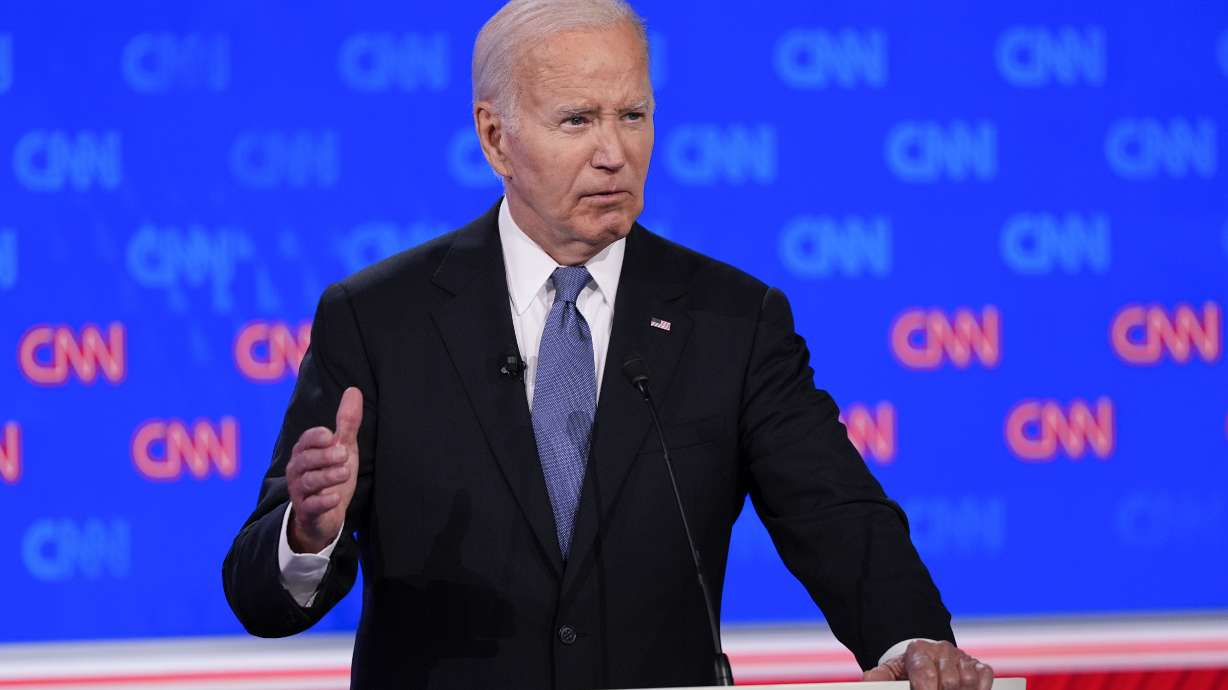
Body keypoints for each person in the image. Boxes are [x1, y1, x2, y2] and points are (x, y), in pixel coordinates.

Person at [223, 1, 995, 689]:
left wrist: (914, 639)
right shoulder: (379, 318)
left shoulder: (733, 319)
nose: (614, 152)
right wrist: (307, 533)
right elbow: (260, 596)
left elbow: (836, 513)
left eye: (633, 115)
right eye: (577, 120)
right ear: (496, 137)